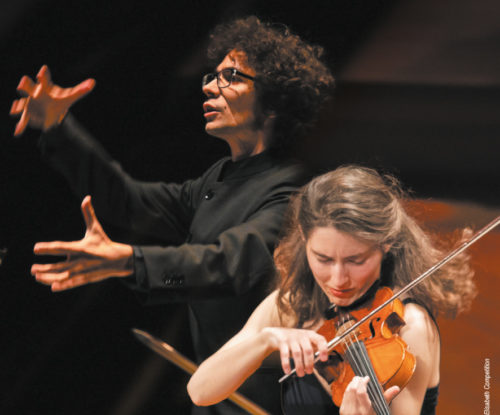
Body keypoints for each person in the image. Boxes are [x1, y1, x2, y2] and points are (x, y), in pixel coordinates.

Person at [10, 16, 334, 414]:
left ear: (274, 100)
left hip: (270, 399)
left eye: (230, 77)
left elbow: (225, 264)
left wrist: (131, 262)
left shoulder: (292, 192)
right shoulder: (217, 180)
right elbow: (128, 202)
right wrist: (59, 128)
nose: (210, 88)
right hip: (219, 389)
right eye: (210, 77)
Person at [187, 165, 477, 415]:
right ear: (304, 238)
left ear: (386, 244)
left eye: (356, 260)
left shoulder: (409, 326)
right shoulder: (294, 303)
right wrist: (265, 339)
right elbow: (200, 391)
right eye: (323, 259)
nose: (338, 279)